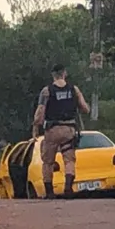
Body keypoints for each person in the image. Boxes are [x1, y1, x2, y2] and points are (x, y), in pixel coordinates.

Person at [33, 64, 90, 199]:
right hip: (69, 129)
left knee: (48, 161)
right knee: (69, 160)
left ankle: (50, 192)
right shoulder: (74, 89)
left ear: (53, 75)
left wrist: (36, 126)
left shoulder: (47, 91)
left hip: (52, 130)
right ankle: (68, 188)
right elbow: (85, 108)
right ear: (65, 73)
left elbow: (40, 112)